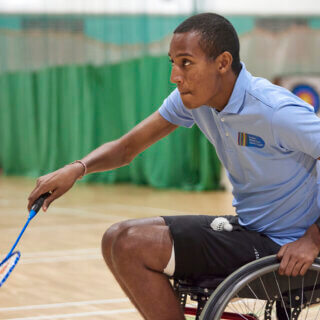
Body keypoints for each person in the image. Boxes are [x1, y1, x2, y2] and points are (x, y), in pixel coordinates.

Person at [27, 13, 320, 320]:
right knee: (116, 239)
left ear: (222, 63)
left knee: (131, 245)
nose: (175, 76)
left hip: (289, 248)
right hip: (251, 230)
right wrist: (77, 168)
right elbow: (128, 147)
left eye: (186, 63)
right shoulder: (193, 101)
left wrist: (312, 239)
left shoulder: (274, 110)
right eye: (173, 63)